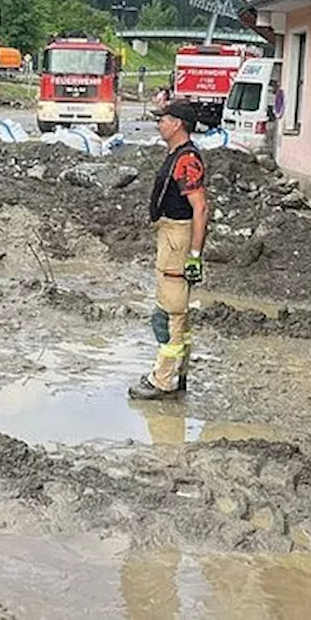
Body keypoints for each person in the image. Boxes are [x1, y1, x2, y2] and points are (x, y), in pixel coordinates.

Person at [130, 100, 209, 401]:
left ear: (177, 124)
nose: (159, 124)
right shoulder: (177, 156)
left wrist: (194, 255)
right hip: (171, 234)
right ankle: (178, 373)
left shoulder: (186, 160)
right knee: (178, 314)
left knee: (169, 313)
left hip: (178, 237)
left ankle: (162, 380)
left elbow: (200, 207)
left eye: (163, 119)